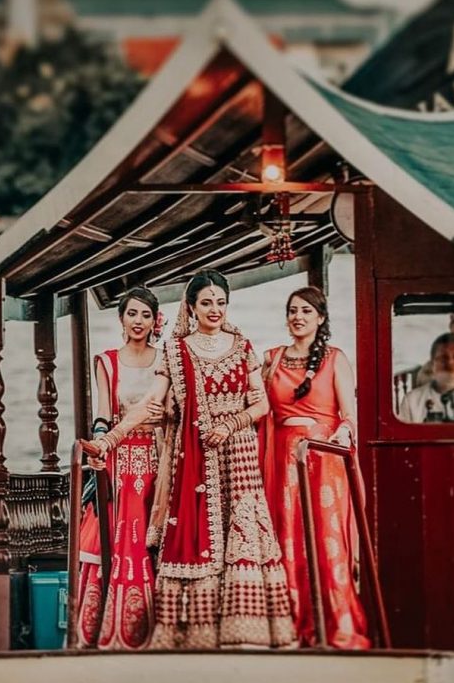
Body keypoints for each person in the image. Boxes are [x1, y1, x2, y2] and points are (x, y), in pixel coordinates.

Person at [84, 269, 296, 651]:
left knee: (242, 536)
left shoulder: (242, 345)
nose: (214, 310)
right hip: (194, 457)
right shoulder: (177, 351)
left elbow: (261, 404)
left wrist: (230, 425)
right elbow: (151, 403)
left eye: (221, 303)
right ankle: (198, 632)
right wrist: (110, 439)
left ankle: (245, 632)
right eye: (206, 303)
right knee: (195, 536)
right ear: (191, 307)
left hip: (239, 454)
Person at [258, 287, 370, 650]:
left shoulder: (335, 359)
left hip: (323, 460)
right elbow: (258, 411)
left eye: (306, 311)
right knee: (286, 536)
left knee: (327, 539)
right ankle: (291, 625)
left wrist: (340, 432)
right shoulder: (271, 359)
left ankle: (336, 625)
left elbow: (350, 417)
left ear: (320, 318)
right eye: (292, 310)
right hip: (281, 461)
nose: (298, 317)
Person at [76, 287, 165, 650]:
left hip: (157, 457)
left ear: (155, 320)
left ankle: (156, 627)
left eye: (145, 315)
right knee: (118, 535)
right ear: (121, 319)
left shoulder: (165, 361)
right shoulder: (108, 361)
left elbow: (172, 409)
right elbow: (101, 413)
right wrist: (99, 443)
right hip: (118, 458)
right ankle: (110, 629)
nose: (138, 322)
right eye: (132, 314)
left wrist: (167, 416)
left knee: (153, 536)